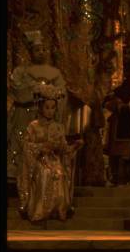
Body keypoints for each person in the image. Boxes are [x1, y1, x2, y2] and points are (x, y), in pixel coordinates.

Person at [17, 83, 83, 222]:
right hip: (39, 161)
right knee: (44, 173)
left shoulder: (59, 127)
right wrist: (42, 147)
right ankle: (40, 211)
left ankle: (58, 210)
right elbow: (27, 147)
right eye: (47, 107)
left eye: (53, 108)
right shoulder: (33, 126)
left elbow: (64, 149)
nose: (50, 111)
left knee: (59, 172)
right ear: (41, 107)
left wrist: (74, 146)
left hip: (55, 160)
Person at [8, 30, 67, 179]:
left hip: (46, 121)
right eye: (36, 49)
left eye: (43, 49)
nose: (40, 52)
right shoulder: (20, 71)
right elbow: (17, 89)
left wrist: (50, 93)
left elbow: (61, 92)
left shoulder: (54, 72)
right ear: (30, 52)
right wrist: (35, 89)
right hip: (23, 116)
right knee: (22, 147)